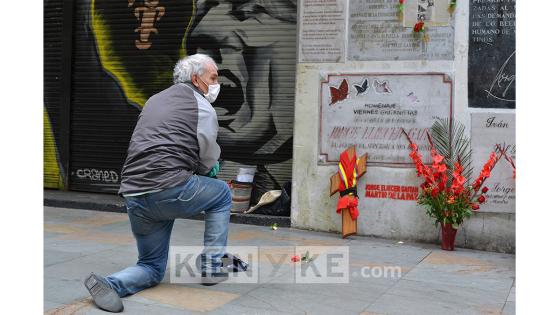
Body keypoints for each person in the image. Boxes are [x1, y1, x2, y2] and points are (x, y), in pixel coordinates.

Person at [83, 54, 232, 313]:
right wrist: (209, 169)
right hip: (171, 188)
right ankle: (212, 266)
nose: (217, 82)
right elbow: (207, 157)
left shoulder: (154, 100)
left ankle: (110, 283)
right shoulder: (202, 107)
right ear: (196, 79)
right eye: (213, 77)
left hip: (135, 193)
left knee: (151, 267)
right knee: (221, 195)